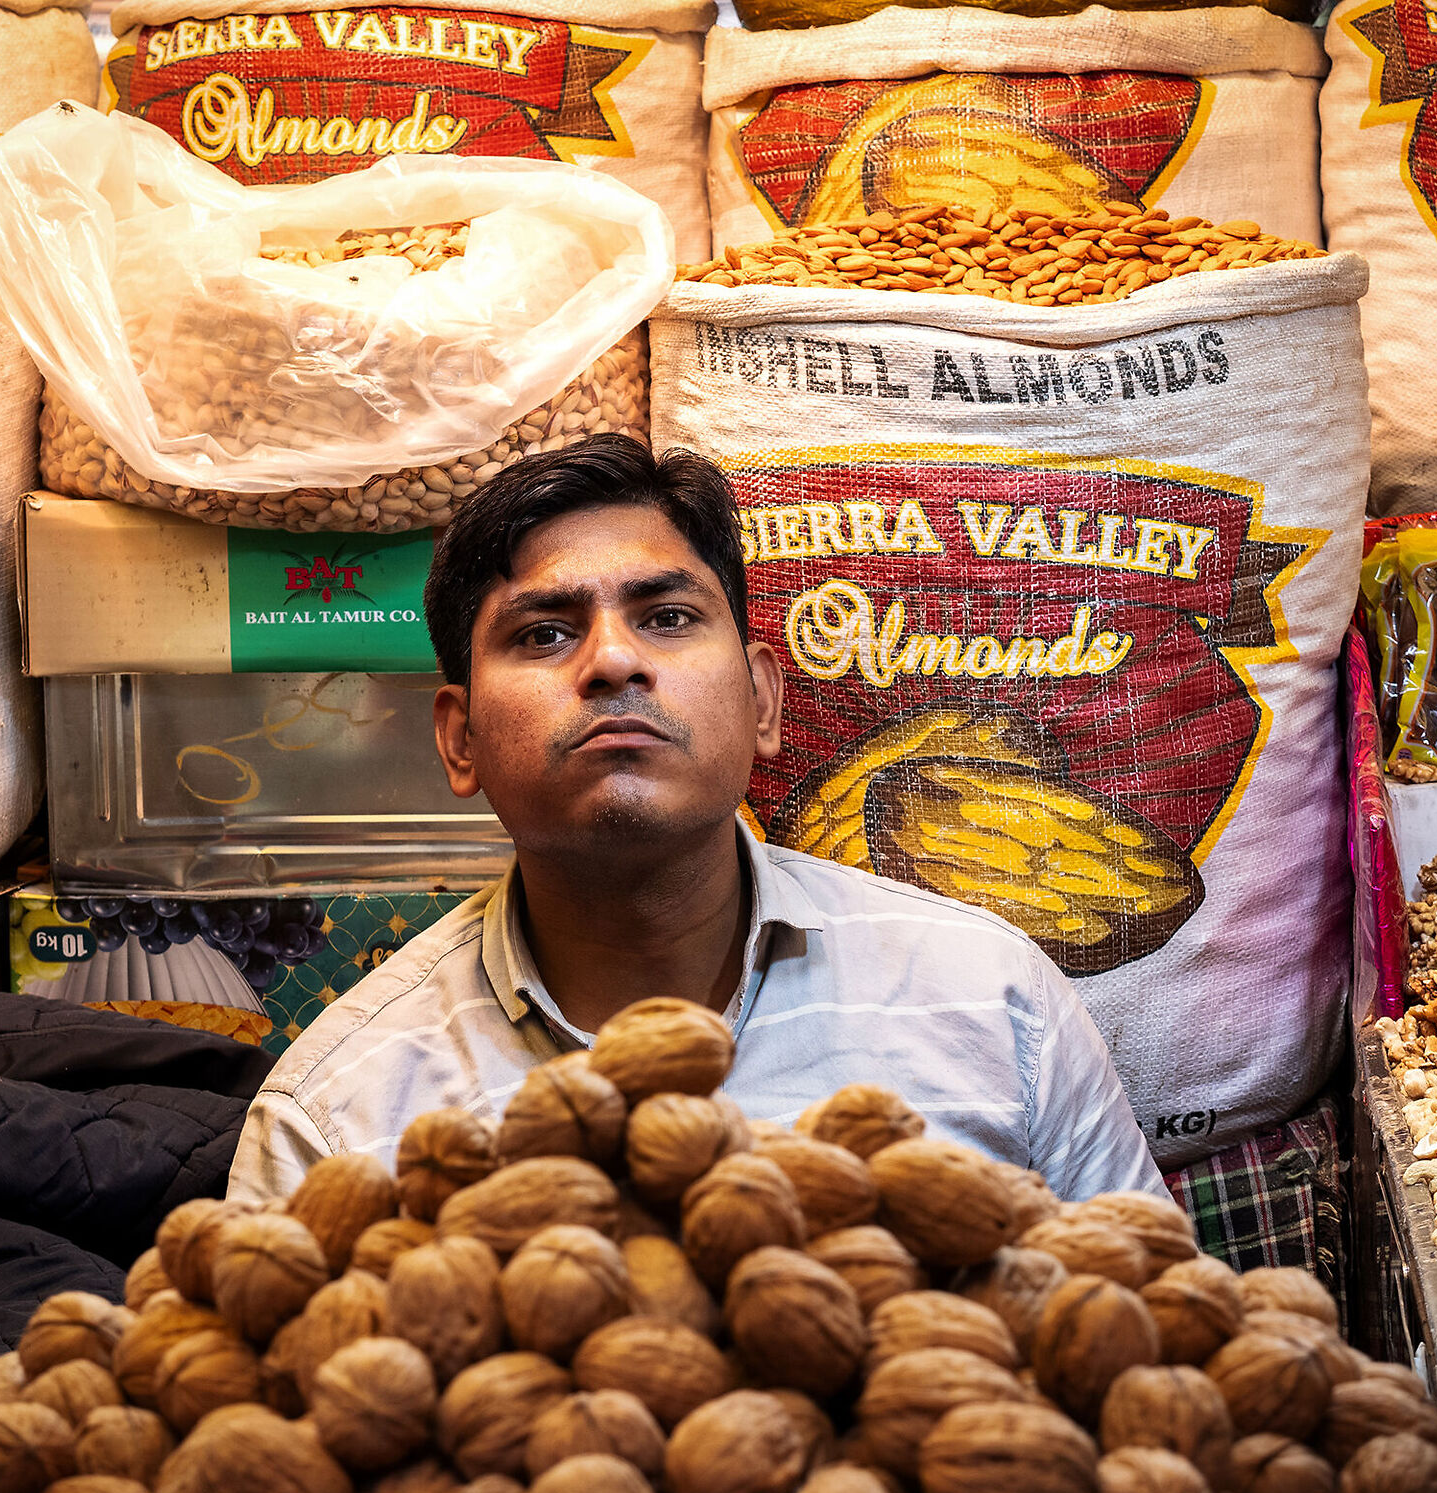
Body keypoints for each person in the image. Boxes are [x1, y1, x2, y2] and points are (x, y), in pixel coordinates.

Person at [228, 436, 1165, 1203]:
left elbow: (1162, 1352)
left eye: (668, 617)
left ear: (764, 701)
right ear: (460, 738)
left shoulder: (994, 1003)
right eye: (544, 633)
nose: (613, 663)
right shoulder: (334, 1118)